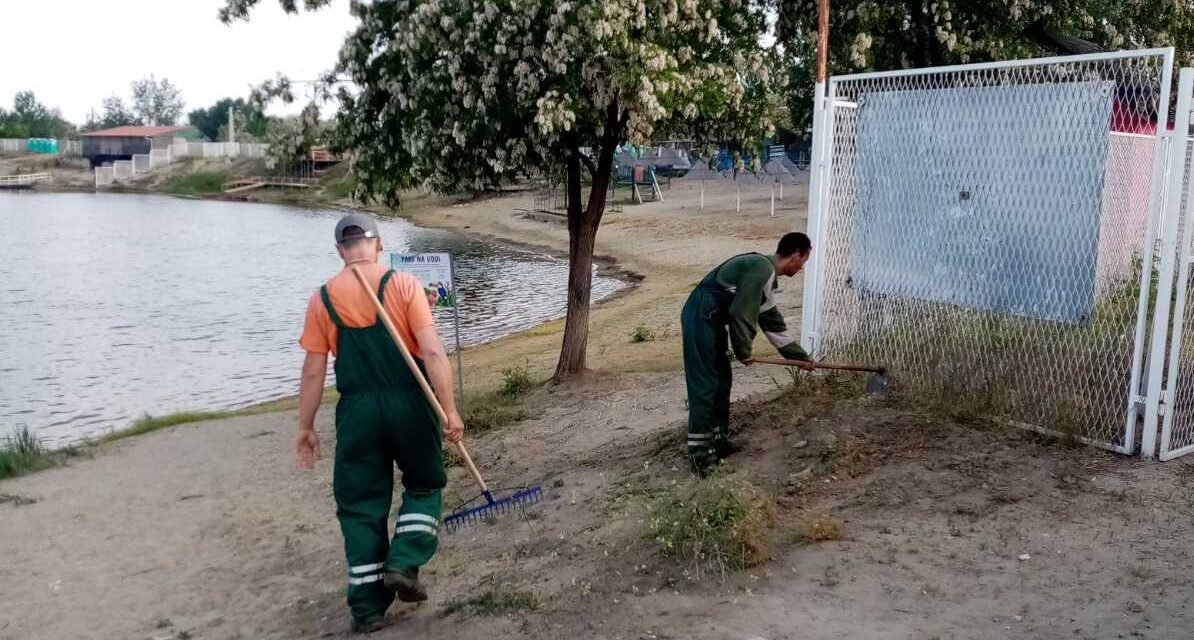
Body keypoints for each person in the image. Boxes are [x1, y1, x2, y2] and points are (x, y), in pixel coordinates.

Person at [296, 212, 465, 633]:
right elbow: (432, 354)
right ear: (378, 244)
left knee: (360, 506)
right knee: (425, 483)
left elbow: (314, 372)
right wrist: (449, 409)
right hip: (411, 402)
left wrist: (305, 426)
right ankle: (404, 561)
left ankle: (368, 608)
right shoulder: (403, 285)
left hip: (357, 413)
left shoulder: (322, 299)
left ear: (340, 250)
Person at [681, 232, 816, 474]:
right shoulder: (760, 267)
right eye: (804, 261)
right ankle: (700, 457)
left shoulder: (766, 279)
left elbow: (774, 325)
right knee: (705, 384)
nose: (802, 267)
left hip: (710, 320)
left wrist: (800, 358)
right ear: (796, 255)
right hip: (700, 315)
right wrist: (744, 351)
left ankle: (718, 442)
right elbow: (740, 314)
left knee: (722, 380)